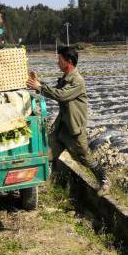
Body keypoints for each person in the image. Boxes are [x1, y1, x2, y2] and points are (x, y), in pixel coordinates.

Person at [27, 46, 108, 191]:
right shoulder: (65, 78)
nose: (57, 62)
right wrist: (39, 83)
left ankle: (104, 180)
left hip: (74, 129)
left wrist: (40, 87)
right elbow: (56, 91)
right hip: (62, 127)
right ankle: (44, 183)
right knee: (48, 153)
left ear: (68, 61)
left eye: (59, 60)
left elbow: (61, 95)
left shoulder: (77, 81)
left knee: (85, 158)